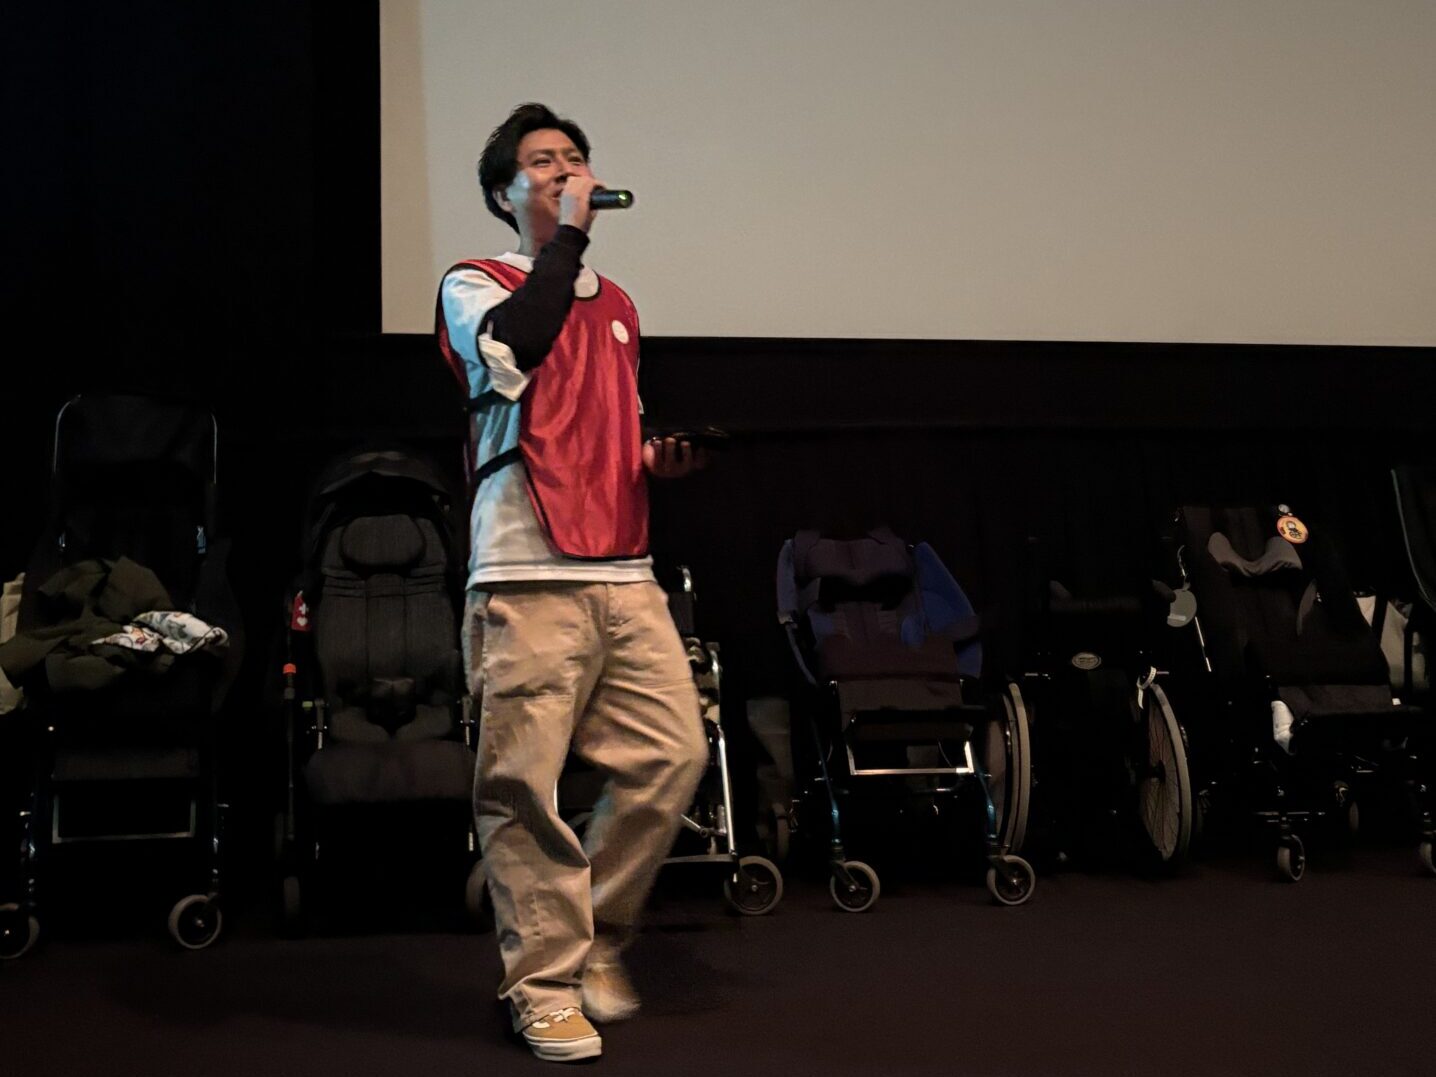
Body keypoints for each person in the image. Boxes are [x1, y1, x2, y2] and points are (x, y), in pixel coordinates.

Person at [436, 102, 710, 1064]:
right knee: (523, 786)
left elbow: (599, 425)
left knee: (673, 755)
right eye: (542, 161)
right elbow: (515, 350)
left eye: (576, 157)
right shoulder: (476, 282)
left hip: (624, 568)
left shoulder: (620, 304)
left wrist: (652, 458)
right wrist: (570, 240)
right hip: (525, 568)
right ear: (502, 194)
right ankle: (544, 986)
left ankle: (590, 930)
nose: (565, 170)